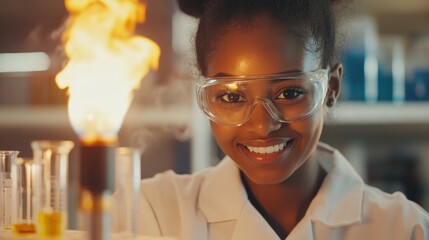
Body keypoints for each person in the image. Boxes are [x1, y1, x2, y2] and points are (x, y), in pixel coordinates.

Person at [136, 0, 429, 239]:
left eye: (289, 93)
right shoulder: (155, 214)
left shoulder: (405, 229)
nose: (263, 125)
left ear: (331, 89)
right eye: (232, 97)